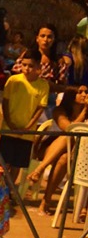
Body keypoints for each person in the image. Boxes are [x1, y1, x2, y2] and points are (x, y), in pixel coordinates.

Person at [28, 84, 88, 216]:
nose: (84, 95)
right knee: (68, 138)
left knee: (64, 158)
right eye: (80, 92)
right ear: (71, 95)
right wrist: (83, 113)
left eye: (86, 92)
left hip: (77, 154)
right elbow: (69, 129)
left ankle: (46, 201)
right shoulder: (59, 111)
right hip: (49, 148)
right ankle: (41, 170)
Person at [0, 51, 49, 186]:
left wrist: (28, 128)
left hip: (26, 134)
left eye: (31, 66)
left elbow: (40, 108)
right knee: (3, 163)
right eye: (24, 65)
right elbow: (5, 102)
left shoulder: (43, 85)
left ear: (38, 67)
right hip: (9, 129)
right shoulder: (13, 80)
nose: (27, 69)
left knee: (17, 165)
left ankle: (9, 191)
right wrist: (9, 123)